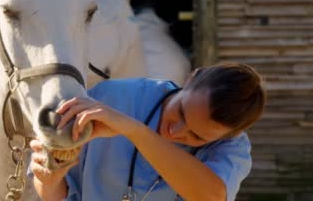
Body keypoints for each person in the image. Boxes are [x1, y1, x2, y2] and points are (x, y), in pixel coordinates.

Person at [30, 62, 266, 201]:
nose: (176, 131)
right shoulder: (109, 98)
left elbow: (211, 196)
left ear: (227, 137)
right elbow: (55, 192)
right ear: (191, 77)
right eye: (181, 112)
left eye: (197, 137)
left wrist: (135, 130)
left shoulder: (233, 149)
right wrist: (49, 181)